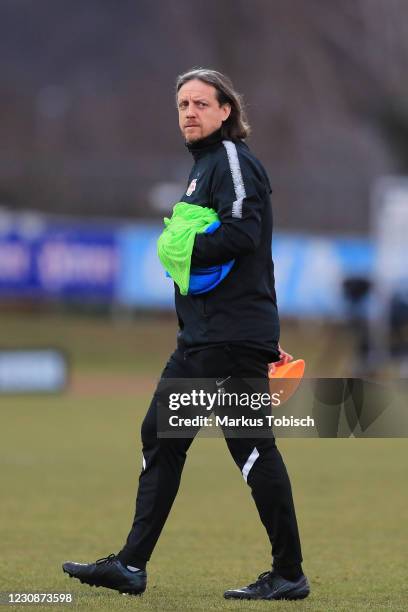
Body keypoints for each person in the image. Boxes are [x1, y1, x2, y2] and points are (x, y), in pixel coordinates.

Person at [62, 68, 310, 601]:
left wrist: (182, 250)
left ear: (227, 111)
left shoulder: (233, 162)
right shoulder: (205, 168)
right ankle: (288, 573)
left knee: (165, 436)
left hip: (220, 337)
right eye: (182, 105)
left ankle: (131, 565)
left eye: (201, 102)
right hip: (224, 333)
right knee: (247, 448)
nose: (190, 112)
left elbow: (242, 231)